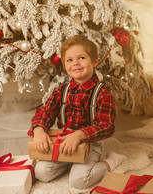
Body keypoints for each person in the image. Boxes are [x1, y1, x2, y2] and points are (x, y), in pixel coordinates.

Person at [27, 35, 126, 189]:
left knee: (79, 181)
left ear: (94, 61)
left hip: (89, 143)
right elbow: (44, 112)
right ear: (64, 65)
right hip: (64, 141)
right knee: (41, 173)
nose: (76, 64)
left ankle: (111, 161)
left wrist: (80, 135)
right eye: (70, 60)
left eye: (81, 58)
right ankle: (69, 162)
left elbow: (106, 126)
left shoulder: (102, 93)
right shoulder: (61, 91)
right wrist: (38, 129)